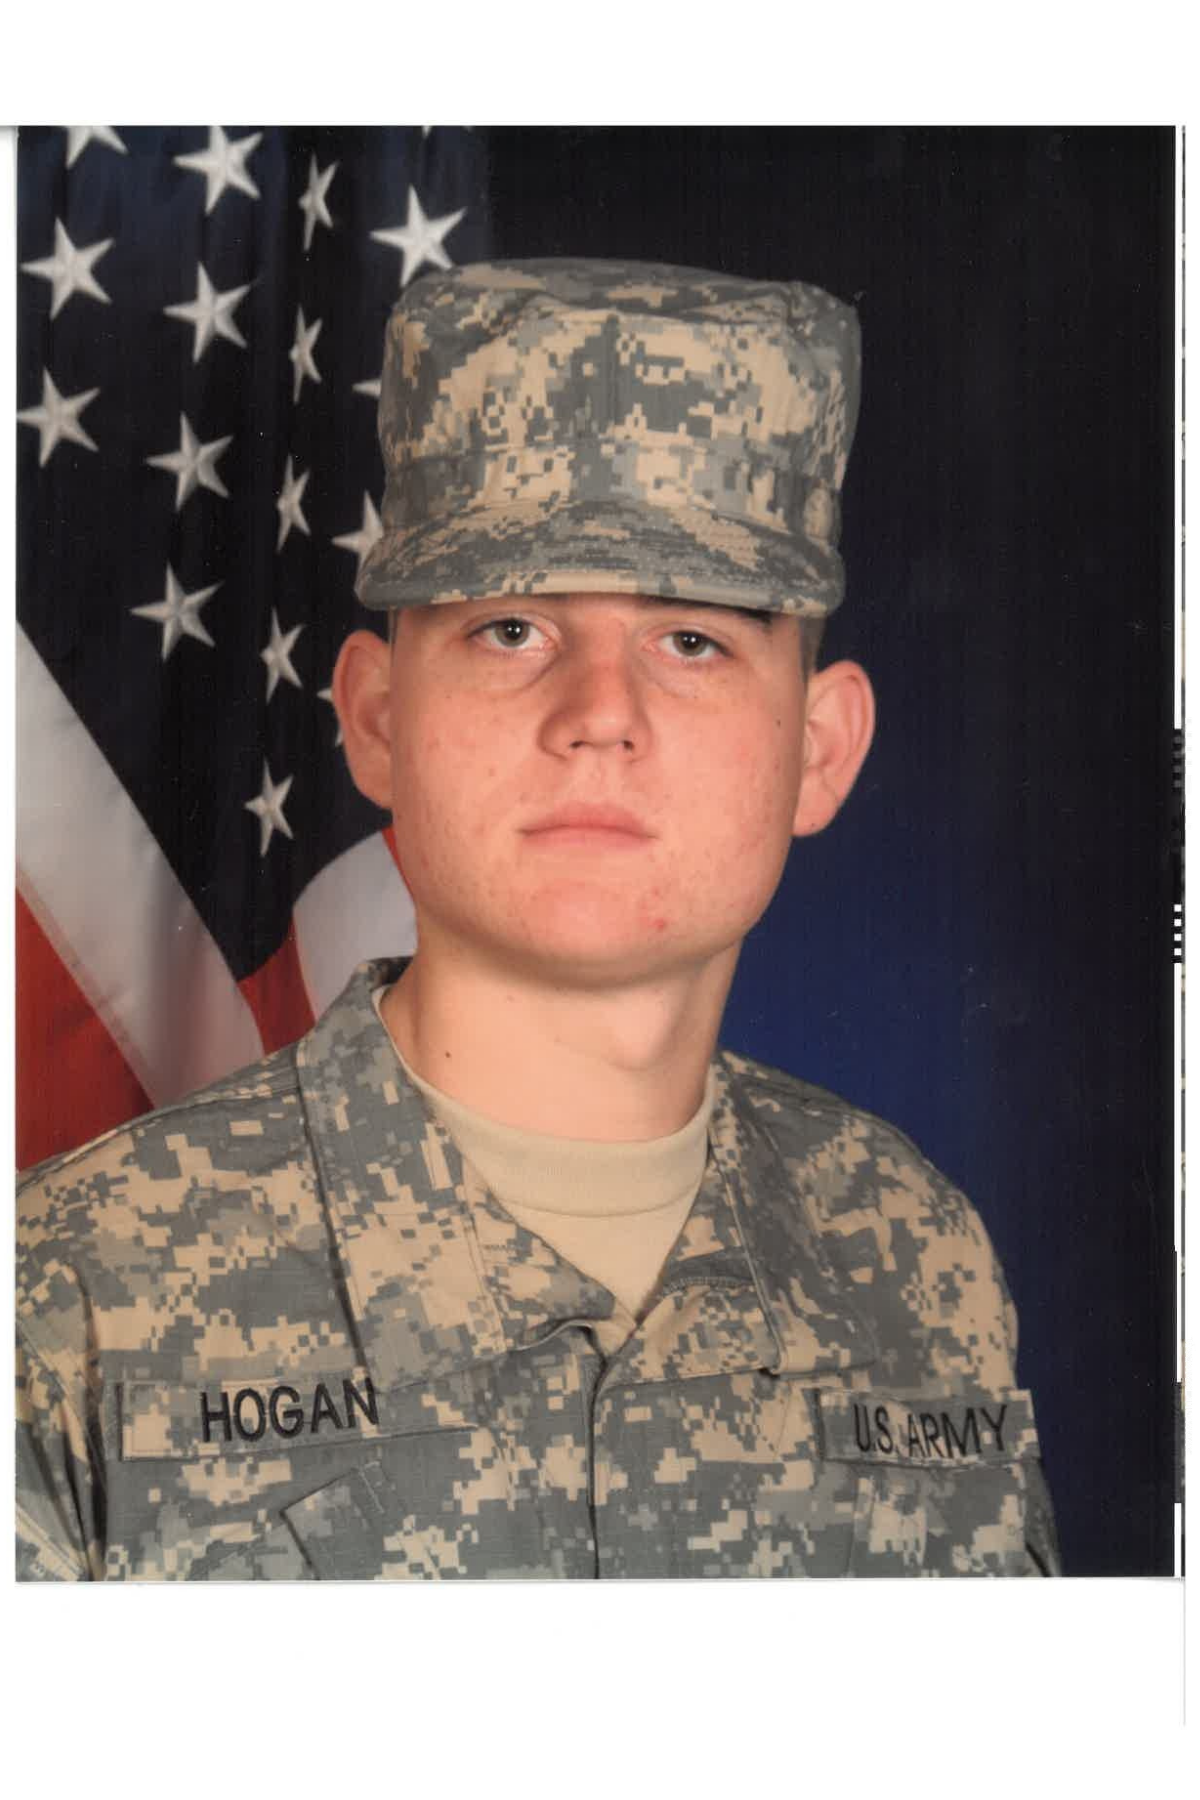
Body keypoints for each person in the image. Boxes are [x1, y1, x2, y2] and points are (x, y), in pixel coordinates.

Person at [16, 258, 1060, 1580]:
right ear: (377, 720)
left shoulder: (913, 1256)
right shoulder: (68, 1298)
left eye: (693, 640)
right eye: (511, 629)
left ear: (820, 749)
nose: (599, 715)